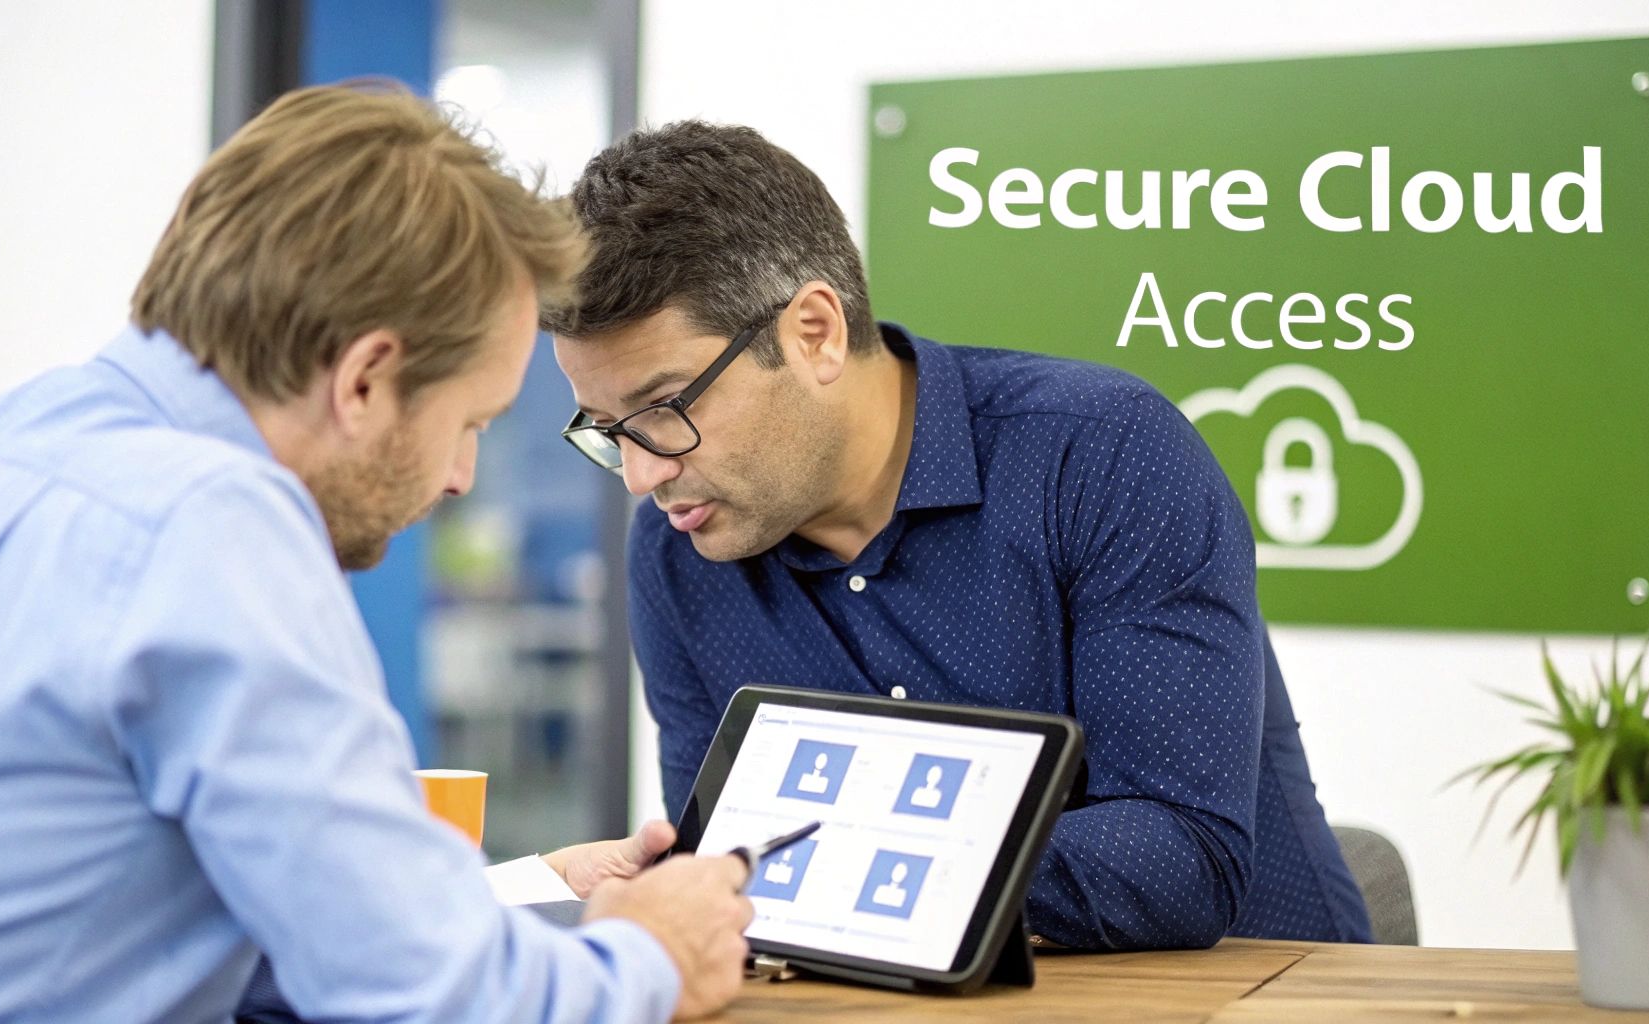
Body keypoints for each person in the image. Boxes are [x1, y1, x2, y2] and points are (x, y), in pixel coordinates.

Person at [0, 87, 751, 1024]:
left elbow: (232, 937)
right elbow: (437, 1002)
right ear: (365, 379)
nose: (458, 476)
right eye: (470, 422)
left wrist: (523, 896)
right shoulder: (209, 528)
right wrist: (652, 952)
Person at [544, 121, 1373, 950]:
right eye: (609, 430)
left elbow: (1182, 862)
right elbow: (738, 871)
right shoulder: (677, 552)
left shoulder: (1102, 454)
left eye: (666, 410)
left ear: (815, 333)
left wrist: (863, 856)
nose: (644, 478)